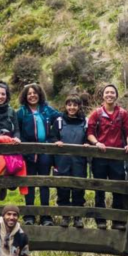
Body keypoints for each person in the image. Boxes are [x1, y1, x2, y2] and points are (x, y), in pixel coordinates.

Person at [86, 84, 128, 230]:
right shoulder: (97, 113)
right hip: (100, 157)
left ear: (116, 95)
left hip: (117, 157)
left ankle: (117, 220)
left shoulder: (123, 114)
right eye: (107, 92)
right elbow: (89, 133)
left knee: (117, 188)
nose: (109, 95)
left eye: (112, 92)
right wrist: (97, 143)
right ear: (103, 96)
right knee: (99, 188)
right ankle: (100, 220)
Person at [17, 83, 60, 226]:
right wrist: (24, 146)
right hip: (28, 153)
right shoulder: (21, 112)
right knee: (29, 184)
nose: (32, 96)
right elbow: (17, 131)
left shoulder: (46, 109)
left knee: (44, 183)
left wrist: (55, 139)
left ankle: (45, 216)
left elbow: (61, 119)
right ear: (25, 96)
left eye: (34, 93)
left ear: (39, 94)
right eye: (29, 93)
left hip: (45, 152)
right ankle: (29, 216)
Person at [50, 96, 89, 228]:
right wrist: (56, 141)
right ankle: (65, 216)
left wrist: (87, 144)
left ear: (79, 107)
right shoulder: (59, 121)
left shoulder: (85, 121)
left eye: (75, 105)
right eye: (69, 105)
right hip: (62, 160)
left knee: (79, 187)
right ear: (65, 106)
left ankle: (78, 217)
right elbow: (52, 136)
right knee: (63, 187)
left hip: (79, 160)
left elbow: (88, 137)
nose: (72, 108)